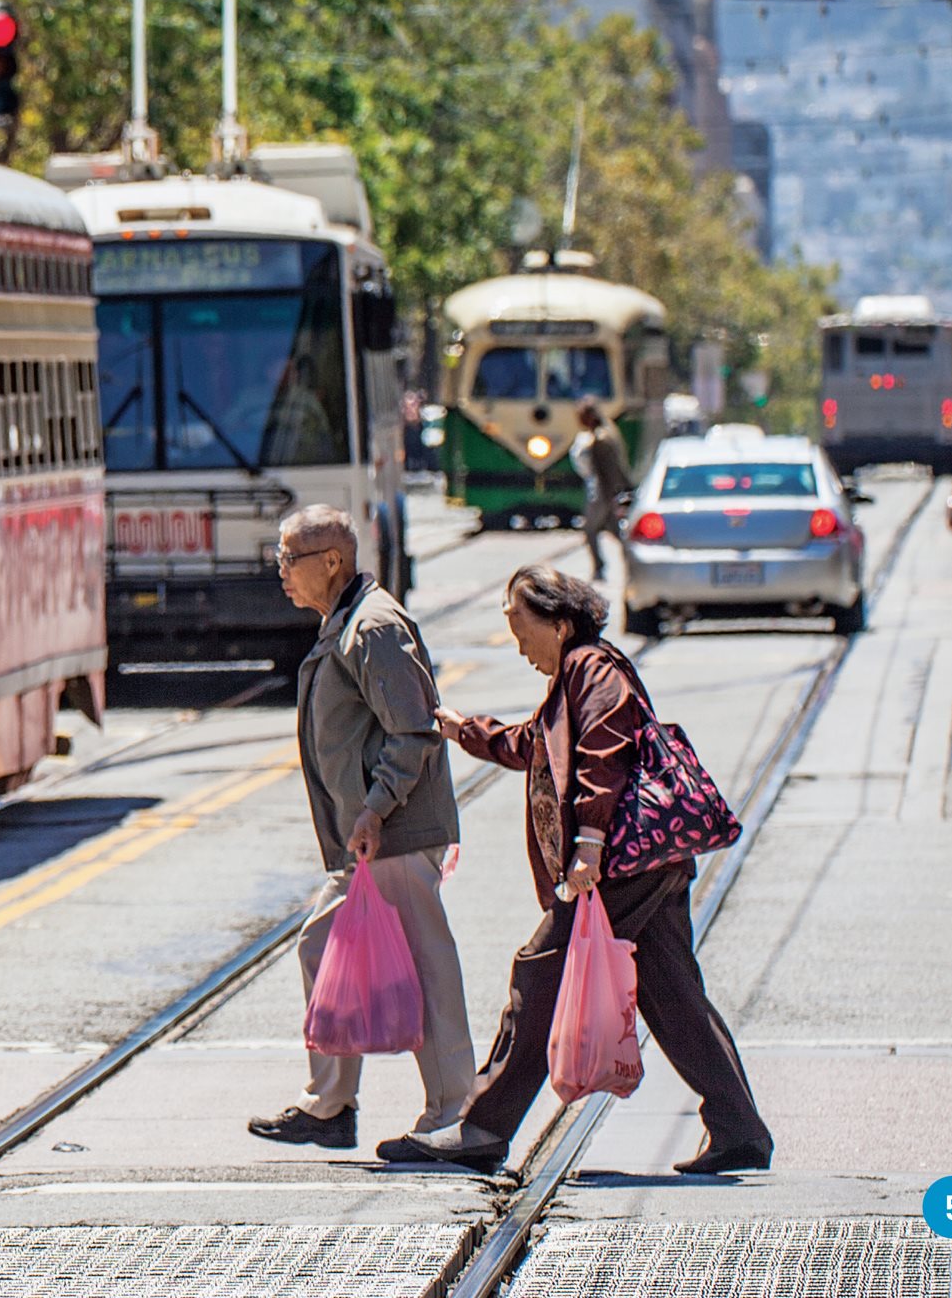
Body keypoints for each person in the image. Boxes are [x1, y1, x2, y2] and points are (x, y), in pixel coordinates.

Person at [384, 564, 772, 1178]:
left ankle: (483, 1128)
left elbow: (604, 751)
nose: (517, 644)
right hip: (649, 861)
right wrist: (470, 733)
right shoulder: (574, 673)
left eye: (522, 628)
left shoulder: (593, 669)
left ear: (560, 624)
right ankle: (740, 1129)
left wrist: (588, 842)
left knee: (539, 974)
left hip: (618, 864)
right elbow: (535, 744)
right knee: (672, 994)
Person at [248, 504, 475, 1153]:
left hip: (393, 832)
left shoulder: (372, 626)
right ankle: (331, 1103)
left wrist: (376, 806)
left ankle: (452, 1110)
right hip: (370, 836)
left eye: (289, 559)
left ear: (333, 562)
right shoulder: (344, 622)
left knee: (426, 967)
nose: (282, 573)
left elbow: (414, 728)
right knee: (323, 947)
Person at [573, 398, 631, 580]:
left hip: (601, 494)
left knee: (590, 529)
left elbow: (609, 471)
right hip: (603, 493)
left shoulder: (600, 439)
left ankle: (600, 567)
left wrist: (612, 495)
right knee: (616, 532)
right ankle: (631, 562)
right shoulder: (602, 434)